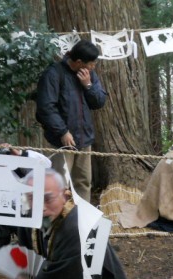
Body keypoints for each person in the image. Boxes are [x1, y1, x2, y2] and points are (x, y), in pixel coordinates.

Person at [35, 40, 107, 202]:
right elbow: (46, 107)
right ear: (79, 62)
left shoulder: (89, 74)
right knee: (59, 183)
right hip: (62, 140)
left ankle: (82, 216)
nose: (93, 66)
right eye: (91, 63)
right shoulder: (53, 74)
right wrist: (62, 132)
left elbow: (99, 102)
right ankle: (59, 216)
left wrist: (88, 85)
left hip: (84, 139)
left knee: (83, 182)